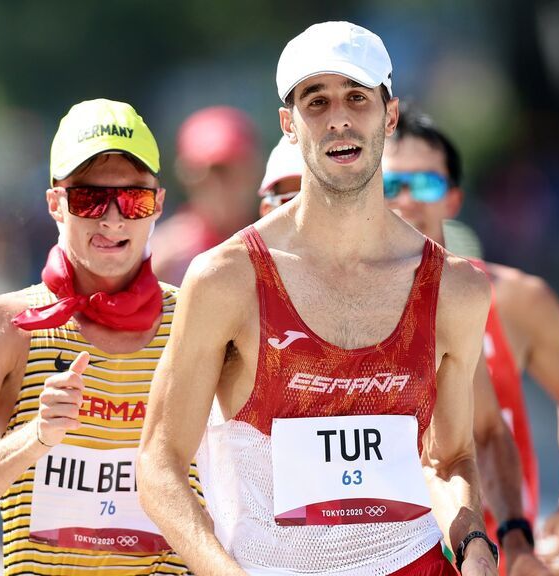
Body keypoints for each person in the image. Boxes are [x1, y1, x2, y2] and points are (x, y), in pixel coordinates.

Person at [139, 22, 499, 576]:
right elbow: (159, 465)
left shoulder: (456, 288)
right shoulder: (226, 280)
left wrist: (475, 544)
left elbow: (451, 459)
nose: (338, 118)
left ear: (390, 115)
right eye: (316, 101)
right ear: (288, 124)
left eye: (357, 97)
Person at [0, 99, 200, 575]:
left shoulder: (198, 318)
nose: (113, 221)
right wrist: (37, 437)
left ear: (159, 203)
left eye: (134, 200)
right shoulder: (1, 325)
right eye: (90, 199)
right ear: (56, 203)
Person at [255, 135, 550, 576]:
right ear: (265, 208)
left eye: (321, 191)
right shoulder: (227, 292)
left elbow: (477, 439)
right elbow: (167, 462)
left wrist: (505, 540)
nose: (308, 208)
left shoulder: (423, 300)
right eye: (290, 195)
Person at [383, 104, 559, 576]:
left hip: (500, 551)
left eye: (425, 184)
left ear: (453, 198)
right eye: (389, 185)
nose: (405, 200)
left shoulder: (515, 300)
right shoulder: (348, 307)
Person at [151, 106, 262, 285]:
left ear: (254, 170)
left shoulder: (280, 242)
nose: (218, 185)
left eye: (228, 170)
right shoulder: (165, 258)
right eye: (204, 173)